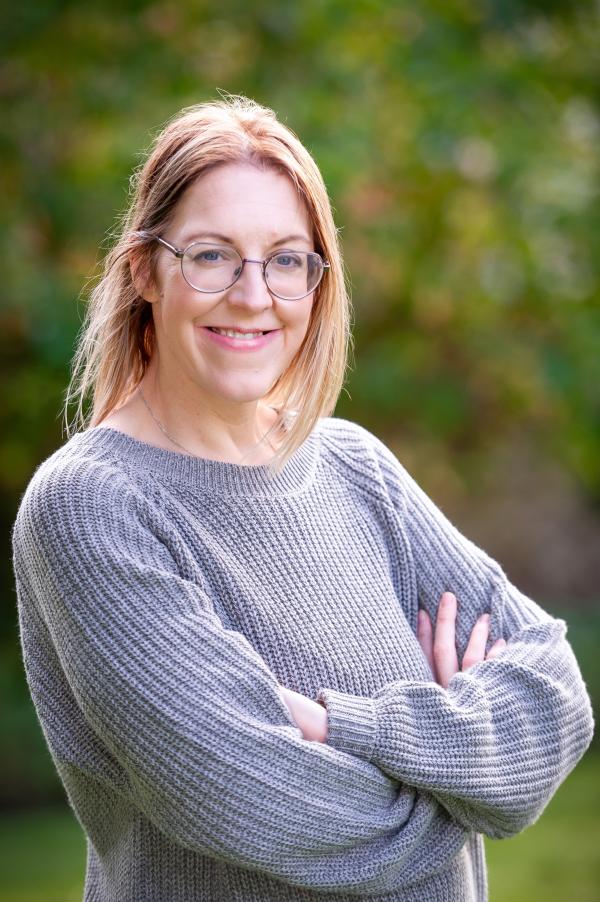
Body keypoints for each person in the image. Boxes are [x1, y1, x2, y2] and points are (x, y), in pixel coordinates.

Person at [11, 94, 594, 902]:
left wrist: (349, 728)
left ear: (319, 282)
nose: (254, 296)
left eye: (287, 259)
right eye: (212, 256)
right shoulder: (92, 506)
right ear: (145, 270)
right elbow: (263, 804)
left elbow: (557, 696)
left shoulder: (355, 467)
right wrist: (466, 784)